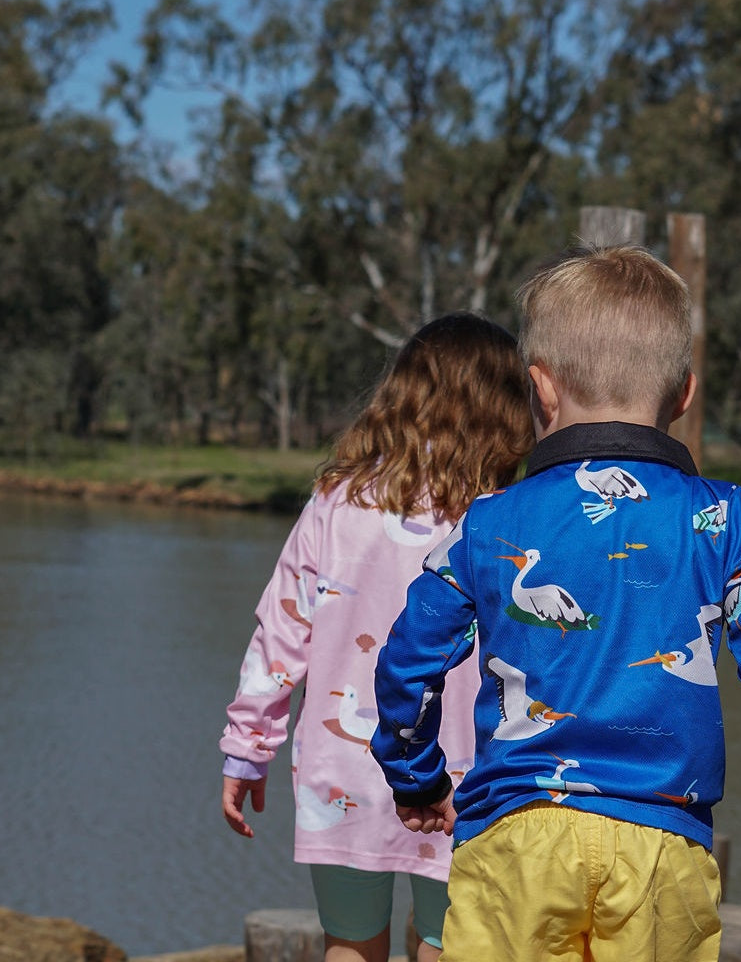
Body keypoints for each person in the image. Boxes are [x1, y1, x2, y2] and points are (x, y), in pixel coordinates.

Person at [371, 245, 741, 962]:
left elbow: (407, 660)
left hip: (515, 840)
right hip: (661, 841)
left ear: (540, 391)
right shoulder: (723, 517)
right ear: (684, 394)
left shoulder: (490, 522)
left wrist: (418, 776)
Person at [220, 313, 534, 962]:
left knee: (349, 944)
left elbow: (279, 638)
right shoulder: (503, 518)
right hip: (462, 769)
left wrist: (247, 751)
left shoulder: (334, 501)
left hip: (345, 771)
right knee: (450, 942)